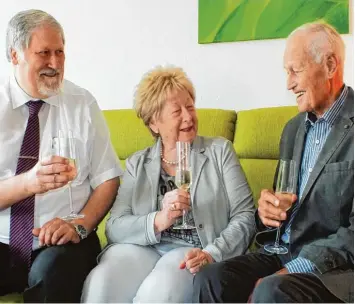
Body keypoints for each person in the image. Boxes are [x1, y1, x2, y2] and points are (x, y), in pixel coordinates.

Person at [193, 22, 354, 303]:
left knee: (271, 290)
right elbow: (285, 207)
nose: (289, 83)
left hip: (332, 269)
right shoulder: (292, 129)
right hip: (280, 249)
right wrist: (265, 213)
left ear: (330, 66)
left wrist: (291, 270)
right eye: (286, 72)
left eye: (296, 70)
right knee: (211, 277)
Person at [81, 66, 255, 303]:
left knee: (159, 290)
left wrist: (212, 254)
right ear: (154, 123)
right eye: (177, 111)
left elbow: (245, 216)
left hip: (192, 251)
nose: (188, 117)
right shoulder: (137, 163)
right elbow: (114, 226)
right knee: (102, 281)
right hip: (143, 249)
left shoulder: (219, 151)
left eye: (190, 107)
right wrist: (158, 220)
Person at [0, 9, 123, 302]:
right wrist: (28, 183)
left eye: (60, 52)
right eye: (44, 53)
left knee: (54, 271)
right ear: (15, 55)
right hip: (3, 239)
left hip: (65, 240)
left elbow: (108, 179)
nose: (54, 63)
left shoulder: (82, 104)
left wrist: (79, 225)